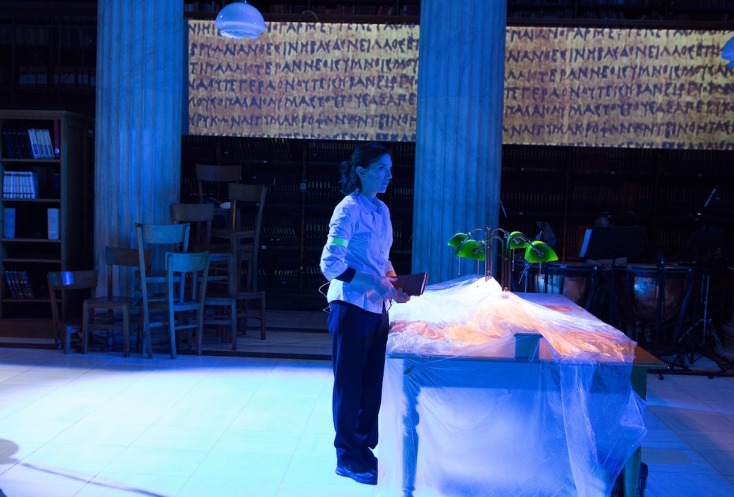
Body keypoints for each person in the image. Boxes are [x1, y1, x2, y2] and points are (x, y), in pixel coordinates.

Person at [319, 142, 410, 485]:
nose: (389, 175)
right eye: (381, 169)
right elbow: (331, 264)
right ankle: (347, 456)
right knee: (350, 385)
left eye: (390, 169)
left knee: (371, 386)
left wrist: (394, 282)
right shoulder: (348, 210)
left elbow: (381, 259)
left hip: (376, 308)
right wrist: (372, 281)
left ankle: (363, 450)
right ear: (361, 171)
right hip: (351, 307)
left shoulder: (381, 210)